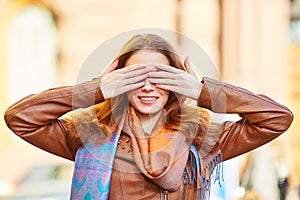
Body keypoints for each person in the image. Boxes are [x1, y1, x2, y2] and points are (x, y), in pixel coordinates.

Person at [4, 33, 293, 200]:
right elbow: (21, 118)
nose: (147, 86)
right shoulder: (90, 134)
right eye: (134, 76)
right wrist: (96, 89)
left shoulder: (203, 136)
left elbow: (277, 118)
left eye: (160, 76)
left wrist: (204, 90)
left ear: (177, 82)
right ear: (118, 80)